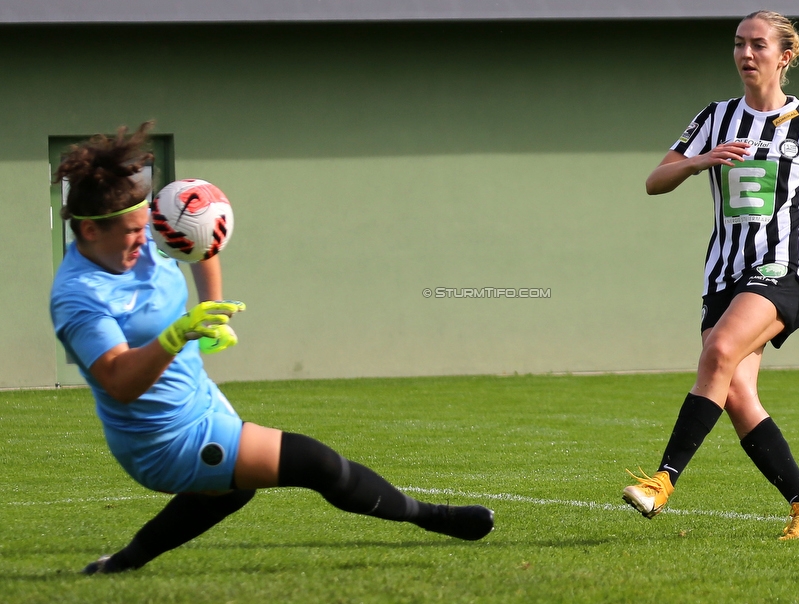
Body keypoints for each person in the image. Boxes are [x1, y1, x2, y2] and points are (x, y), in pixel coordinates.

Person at [49, 122, 494, 574]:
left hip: (201, 403)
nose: (141, 241)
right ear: (88, 231)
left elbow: (200, 243)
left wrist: (212, 308)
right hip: (161, 439)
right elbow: (118, 381)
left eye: (145, 228)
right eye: (130, 232)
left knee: (231, 490)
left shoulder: (136, 234)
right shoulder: (80, 296)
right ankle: (437, 517)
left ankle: (118, 566)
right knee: (313, 461)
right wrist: (177, 334)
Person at [622, 11, 799, 539]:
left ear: (784, 55)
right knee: (738, 394)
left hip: (783, 269)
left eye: (759, 45)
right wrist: (700, 161)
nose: (746, 54)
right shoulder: (715, 117)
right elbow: (655, 181)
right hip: (723, 273)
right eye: (739, 44)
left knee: (719, 352)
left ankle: (663, 479)